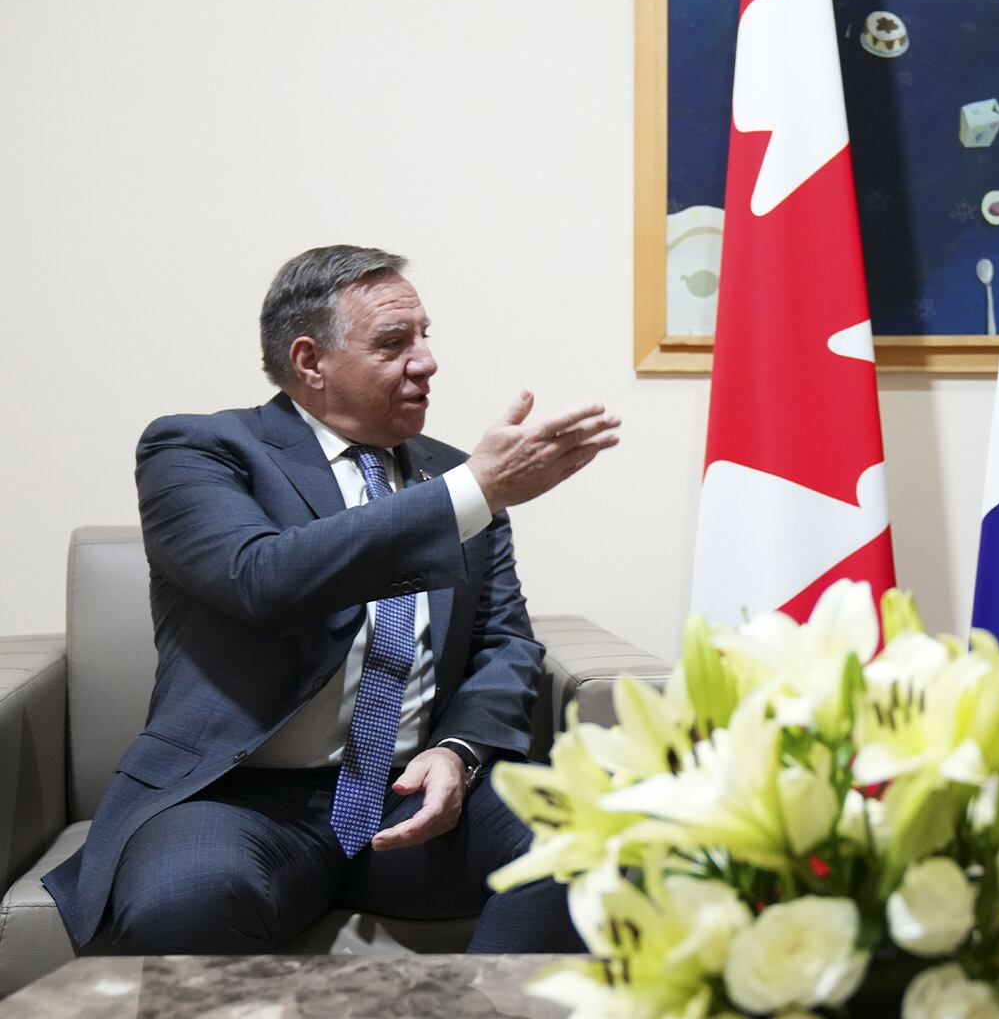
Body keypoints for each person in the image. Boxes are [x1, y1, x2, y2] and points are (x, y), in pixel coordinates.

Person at [45, 245, 621, 954]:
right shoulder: (200, 450)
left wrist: (458, 752)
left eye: (425, 336)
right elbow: (261, 578)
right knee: (183, 902)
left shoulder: (452, 477)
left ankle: (483, 1007)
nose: (427, 361)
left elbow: (503, 643)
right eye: (393, 342)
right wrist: (475, 492)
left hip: (412, 793)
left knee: (597, 840)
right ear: (310, 361)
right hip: (238, 798)